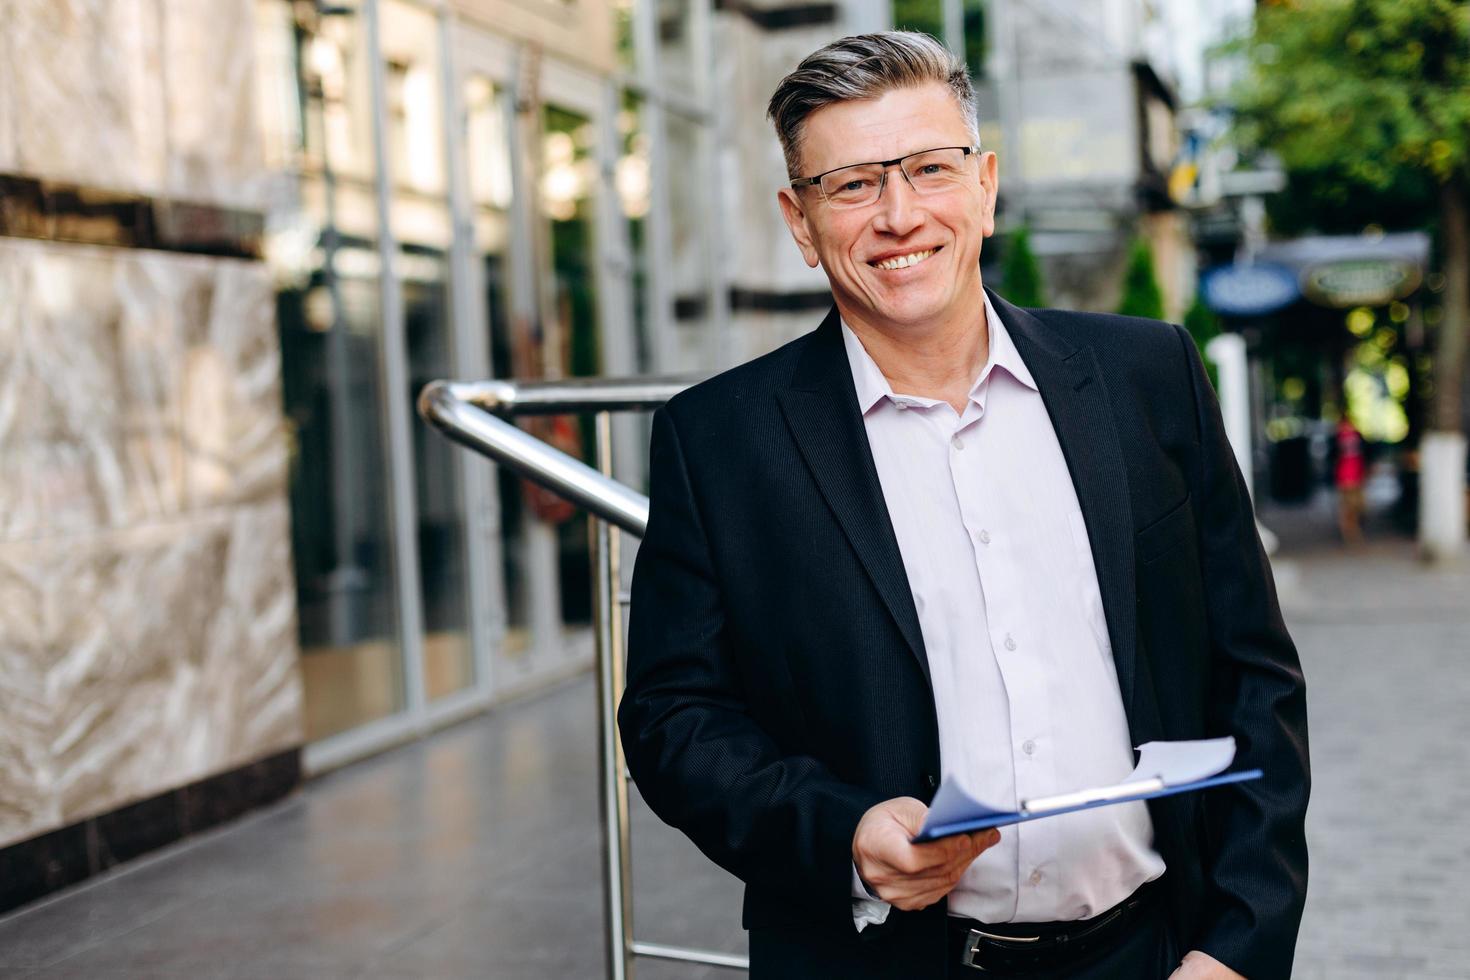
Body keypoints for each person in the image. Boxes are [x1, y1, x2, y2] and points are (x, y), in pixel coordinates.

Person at [618, 32, 1308, 980]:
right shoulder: (721, 440)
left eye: (930, 169)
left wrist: (1237, 945)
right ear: (799, 220)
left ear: (984, 185)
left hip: (1155, 951)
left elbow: (1256, 677)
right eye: (853, 185)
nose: (899, 215)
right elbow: (672, 717)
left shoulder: (1147, 377)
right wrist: (846, 832)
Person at [1334, 416, 1366, 546]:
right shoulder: (1337, 438)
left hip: (1355, 476)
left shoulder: (1357, 436)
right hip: (1344, 477)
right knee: (1348, 507)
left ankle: (1351, 531)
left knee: (1357, 506)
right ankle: (1350, 533)